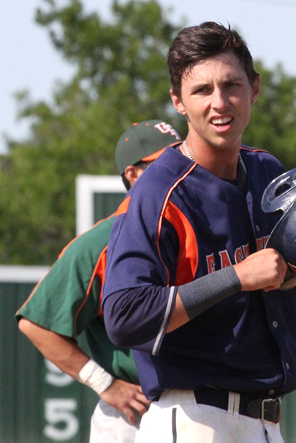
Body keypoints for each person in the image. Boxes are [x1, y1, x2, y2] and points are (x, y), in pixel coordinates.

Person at [102, 23, 296, 443]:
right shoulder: (160, 191)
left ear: (254, 89)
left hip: (264, 418)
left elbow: (260, 293)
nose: (219, 102)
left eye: (232, 85)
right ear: (178, 102)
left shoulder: (267, 172)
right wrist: (238, 275)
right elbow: (124, 316)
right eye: (201, 90)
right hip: (192, 419)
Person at [16, 119, 181, 443]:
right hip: (134, 416)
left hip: (194, 410)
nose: (176, 170)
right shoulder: (102, 241)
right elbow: (35, 324)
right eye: (162, 162)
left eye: (180, 158)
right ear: (133, 175)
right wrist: (105, 384)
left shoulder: (190, 230)